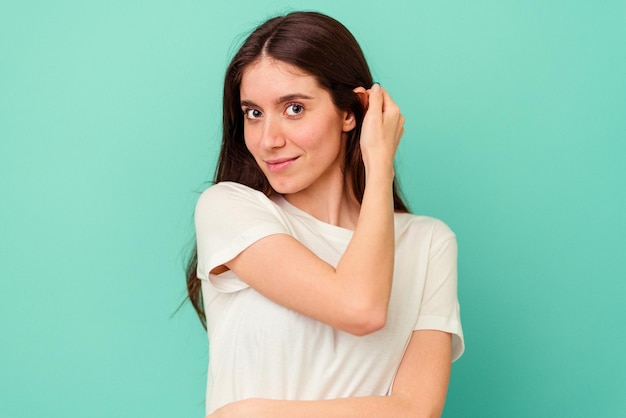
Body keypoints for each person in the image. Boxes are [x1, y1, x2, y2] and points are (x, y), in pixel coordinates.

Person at [186, 11, 464, 417]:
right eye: (254, 113)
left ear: (352, 112)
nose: (268, 140)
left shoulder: (428, 243)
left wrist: (253, 414)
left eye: (294, 108)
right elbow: (357, 308)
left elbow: (414, 410)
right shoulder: (229, 208)